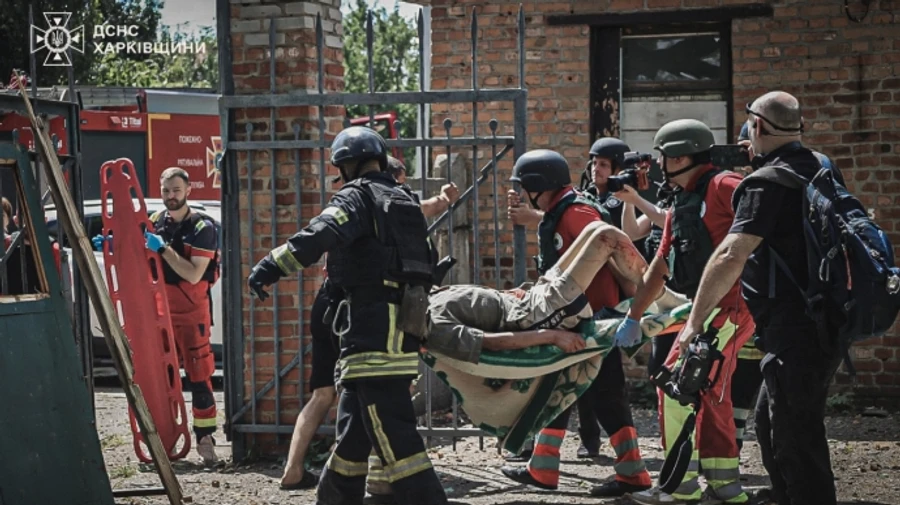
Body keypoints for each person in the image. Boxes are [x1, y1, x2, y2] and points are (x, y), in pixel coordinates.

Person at [249, 127, 448, 505]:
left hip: (370, 333)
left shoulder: (356, 197)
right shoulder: (404, 199)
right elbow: (428, 262)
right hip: (403, 328)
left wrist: (269, 266)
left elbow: (318, 235)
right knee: (353, 434)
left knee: (396, 439)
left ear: (347, 164)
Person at [685, 91, 844, 505]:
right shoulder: (820, 167)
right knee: (771, 424)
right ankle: (785, 494)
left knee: (797, 438)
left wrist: (693, 321)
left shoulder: (766, 184)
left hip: (794, 329)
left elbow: (731, 253)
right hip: (825, 318)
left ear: (756, 126)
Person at [501, 149, 654, 498]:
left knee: (606, 396)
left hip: (593, 321)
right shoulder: (561, 212)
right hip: (578, 319)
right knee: (557, 387)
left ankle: (633, 475)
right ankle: (542, 467)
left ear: (539, 185)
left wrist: (627, 309)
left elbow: (611, 243)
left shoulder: (575, 212)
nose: (525, 193)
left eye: (527, 186)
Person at [619, 119, 755, 505]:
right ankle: (725, 487)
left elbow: (764, 231)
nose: (659, 164)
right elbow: (659, 267)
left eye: (663, 157)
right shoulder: (681, 201)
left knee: (678, 388)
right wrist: (633, 317)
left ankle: (679, 487)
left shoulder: (724, 186)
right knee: (709, 391)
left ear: (679, 156)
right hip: (709, 309)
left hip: (729, 309)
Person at [144, 167, 221, 465]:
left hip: (192, 311)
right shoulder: (154, 223)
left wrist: (162, 249)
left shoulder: (203, 227)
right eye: (166, 190)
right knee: (163, 378)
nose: (170, 196)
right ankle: (165, 440)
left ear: (188, 190)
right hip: (160, 311)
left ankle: (205, 441)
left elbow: (193, 274)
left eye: (176, 190)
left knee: (199, 376)